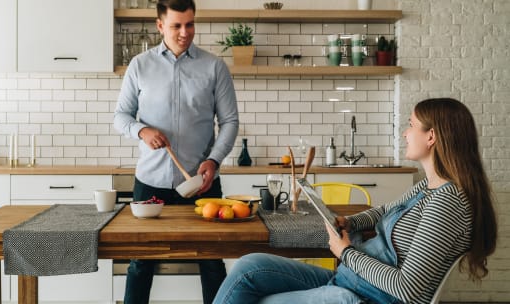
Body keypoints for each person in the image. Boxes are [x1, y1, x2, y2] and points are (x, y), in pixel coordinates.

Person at [213, 98, 497, 304]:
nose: (405, 133)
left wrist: (345, 252)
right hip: (354, 281)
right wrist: (350, 221)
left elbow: (408, 288)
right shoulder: (430, 186)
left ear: (431, 136)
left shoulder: (447, 202)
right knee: (249, 267)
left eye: (411, 126)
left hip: (364, 296)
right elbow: (386, 210)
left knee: (255, 298)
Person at [113, 0, 239, 302]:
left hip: (202, 183)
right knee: (141, 262)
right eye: (176, 25)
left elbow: (230, 122)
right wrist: (141, 130)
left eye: (190, 24)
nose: (185, 32)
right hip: (151, 183)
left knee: (211, 262)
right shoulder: (140, 65)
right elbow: (121, 116)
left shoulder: (214, 67)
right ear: (160, 26)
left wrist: (214, 160)